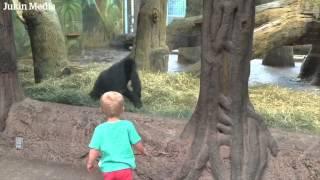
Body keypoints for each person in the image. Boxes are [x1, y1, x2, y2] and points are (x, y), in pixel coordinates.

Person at [87, 91, 145, 180]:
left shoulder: (100, 129)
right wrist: (142, 151)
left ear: (101, 110)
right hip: (125, 168)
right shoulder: (127, 125)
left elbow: (94, 149)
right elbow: (137, 143)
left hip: (108, 170)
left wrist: (90, 163)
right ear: (123, 109)